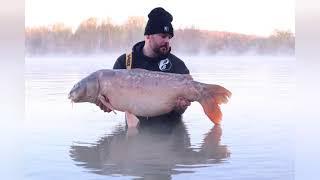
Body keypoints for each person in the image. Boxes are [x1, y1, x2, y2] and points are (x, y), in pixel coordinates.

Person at [96, 7, 191, 122]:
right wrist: (106, 105)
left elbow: (182, 110)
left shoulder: (177, 65)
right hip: (135, 131)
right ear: (148, 36)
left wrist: (180, 107)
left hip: (171, 131)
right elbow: (112, 102)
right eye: (163, 36)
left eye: (169, 37)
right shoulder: (125, 62)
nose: (167, 41)